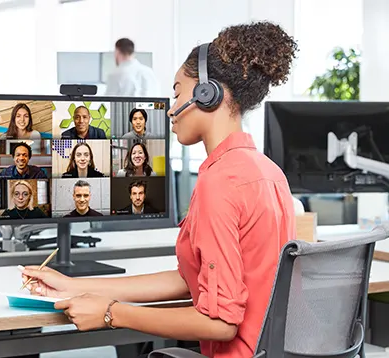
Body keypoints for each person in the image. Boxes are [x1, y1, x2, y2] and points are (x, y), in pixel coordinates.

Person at [20, 21, 298, 358]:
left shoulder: (220, 182)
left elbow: (221, 323)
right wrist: (73, 285)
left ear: (205, 94)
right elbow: (190, 279)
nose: (170, 107)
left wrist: (110, 313)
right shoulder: (268, 171)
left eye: (177, 91)